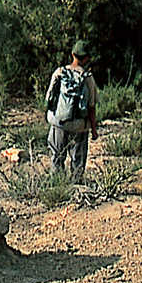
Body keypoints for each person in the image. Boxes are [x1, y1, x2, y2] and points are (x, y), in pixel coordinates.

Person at [45, 40, 98, 183]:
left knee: (57, 156)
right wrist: (93, 130)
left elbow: (49, 98)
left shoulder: (59, 72)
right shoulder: (88, 78)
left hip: (59, 121)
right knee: (78, 160)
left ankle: (57, 185)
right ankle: (76, 185)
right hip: (79, 125)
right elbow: (91, 107)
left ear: (73, 54)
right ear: (86, 58)